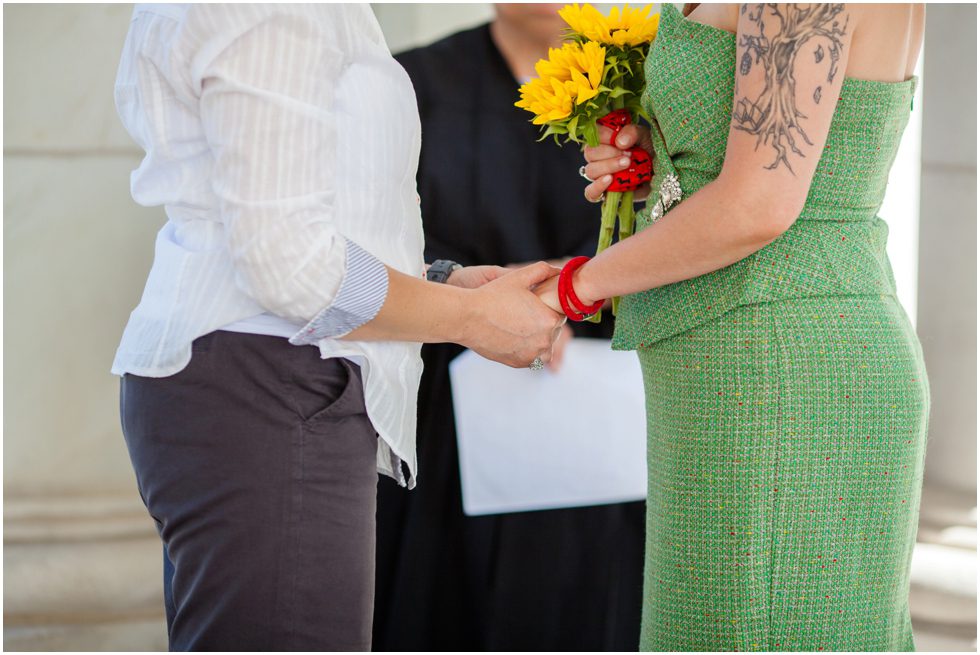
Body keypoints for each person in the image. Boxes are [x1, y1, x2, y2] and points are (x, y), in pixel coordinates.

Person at [111, 5, 562, 650]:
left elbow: (321, 212)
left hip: (278, 367)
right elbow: (285, 259)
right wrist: (470, 319)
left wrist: (435, 281)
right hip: (272, 374)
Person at [537, 3, 929, 651]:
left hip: (781, 367)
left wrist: (571, 289)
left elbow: (757, 204)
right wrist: (661, 166)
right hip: (749, 356)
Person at [372, 5, 645, 651]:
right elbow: (375, 227)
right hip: (449, 382)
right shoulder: (411, 82)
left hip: (599, 387)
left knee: (596, 593)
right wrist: (485, 298)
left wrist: (567, 300)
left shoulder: (642, 84)